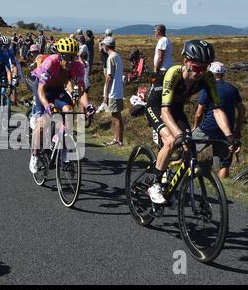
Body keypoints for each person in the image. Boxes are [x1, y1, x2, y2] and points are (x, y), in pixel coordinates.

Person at [145, 40, 240, 204]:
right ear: (186, 61)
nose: (201, 72)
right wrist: (179, 135)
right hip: (157, 107)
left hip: (176, 109)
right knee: (171, 140)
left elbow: (217, 110)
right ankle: (155, 183)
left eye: (205, 68)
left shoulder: (208, 77)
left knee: (189, 148)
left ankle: (170, 179)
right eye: (197, 68)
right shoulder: (173, 74)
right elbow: (165, 112)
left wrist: (229, 135)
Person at [28, 38, 92, 174]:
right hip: (42, 89)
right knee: (42, 122)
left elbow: (81, 91)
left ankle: (64, 155)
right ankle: (34, 155)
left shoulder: (78, 66)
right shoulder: (50, 62)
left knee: (68, 111)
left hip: (57, 89)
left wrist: (88, 105)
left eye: (73, 57)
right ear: (60, 55)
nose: (69, 62)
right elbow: (40, 89)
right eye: (67, 58)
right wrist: (47, 105)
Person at [192, 61, 246, 179]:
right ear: (223, 73)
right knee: (224, 164)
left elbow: (199, 113)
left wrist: (195, 126)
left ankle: (184, 175)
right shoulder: (232, 89)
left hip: (207, 128)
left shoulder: (208, 88)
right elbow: (242, 110)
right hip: (226, 133)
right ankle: (223, 189)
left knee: (188, 149)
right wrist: (237, 130)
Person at [100, 37, 124, 147]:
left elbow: (109, 77)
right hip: (119, 90)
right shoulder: (118, 56)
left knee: (115, 116)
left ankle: (117, 140)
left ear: (106, 46)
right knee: (117, 115)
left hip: (114, 91)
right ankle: (118, 139)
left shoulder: (110, 58)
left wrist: (106, 93)